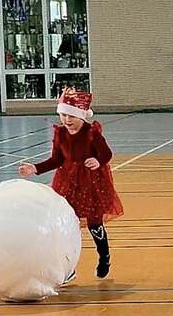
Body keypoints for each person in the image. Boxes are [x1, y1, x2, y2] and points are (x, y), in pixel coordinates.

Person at [19, 87, 124, 279]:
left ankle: (104, 257)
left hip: (91, 184)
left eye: (71, 116)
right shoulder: (60, 134)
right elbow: (56, 160)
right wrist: (35, 168)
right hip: (66, 183)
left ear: (82, 115)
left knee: (94, 224)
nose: (67, 120)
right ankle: (68, 268)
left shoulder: (91, 133)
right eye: (63, 115)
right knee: (65, 225)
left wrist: (98, 161)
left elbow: (106, 153)